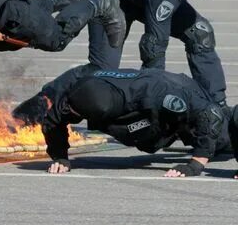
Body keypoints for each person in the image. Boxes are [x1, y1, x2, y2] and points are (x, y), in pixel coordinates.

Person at [85, 0, 230, 111]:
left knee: (201, 34)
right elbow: (153, 47)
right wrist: (157, 107)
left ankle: (217, 106)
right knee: (103, 72)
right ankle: (65, 106)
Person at [13, 64, 229, 177]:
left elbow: (211, 115)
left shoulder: (160, 96)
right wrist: (60, 157)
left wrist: (195, 164)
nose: (71, 115)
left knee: (223, 137)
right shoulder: (80, 93)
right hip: (147, 123)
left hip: (181, 112)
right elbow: (53, 121)